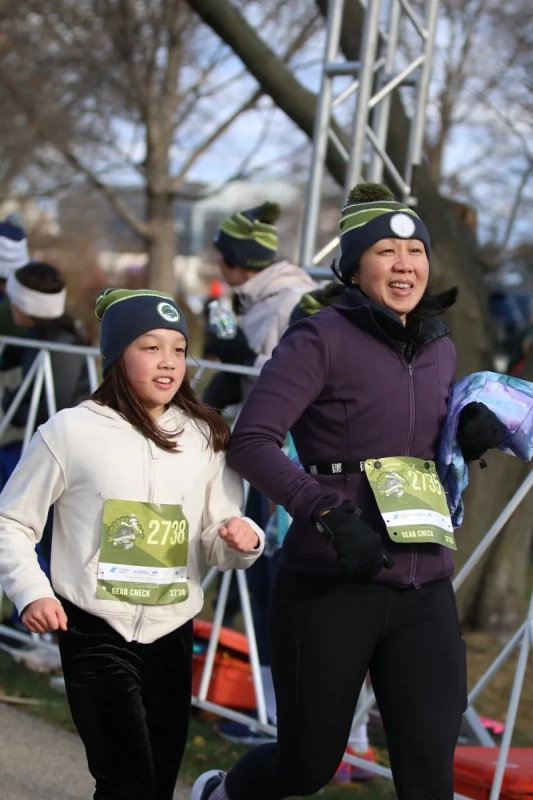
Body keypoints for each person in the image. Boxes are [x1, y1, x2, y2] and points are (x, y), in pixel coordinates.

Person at [191, 182, 505, 800]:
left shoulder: (439, 345)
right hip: (331, 585)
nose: (404, 264)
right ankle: (221, 795)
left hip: (424, 584)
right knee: (308, 765)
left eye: (415, 250)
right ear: (355, 265)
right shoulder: (319, 339)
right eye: (386, 250)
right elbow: (252, 440)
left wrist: (465, 437)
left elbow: (422, 447)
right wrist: (328, 514)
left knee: (426, 777)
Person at [0, 288, 264, 800]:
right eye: (150, 347)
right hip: (94, 627)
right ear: (117, 355)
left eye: (178, 350)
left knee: (156, 782)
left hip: (171, 628)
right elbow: (11, 520)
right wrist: (31, 589)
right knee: (127, 782)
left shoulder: (206, 436)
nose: (168, 364)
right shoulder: (72, 431)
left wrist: (242, 538)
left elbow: (218, 535)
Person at [203, 201, 317, 741]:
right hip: (255, 454)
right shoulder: (258, 298)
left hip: (283, 462)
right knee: (260, 587)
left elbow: (283, 385)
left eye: (222, 256)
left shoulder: (291, 300)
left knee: (282, 588)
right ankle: (268, 712)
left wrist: (233, 357)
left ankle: (284, 722)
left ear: (236, 260)